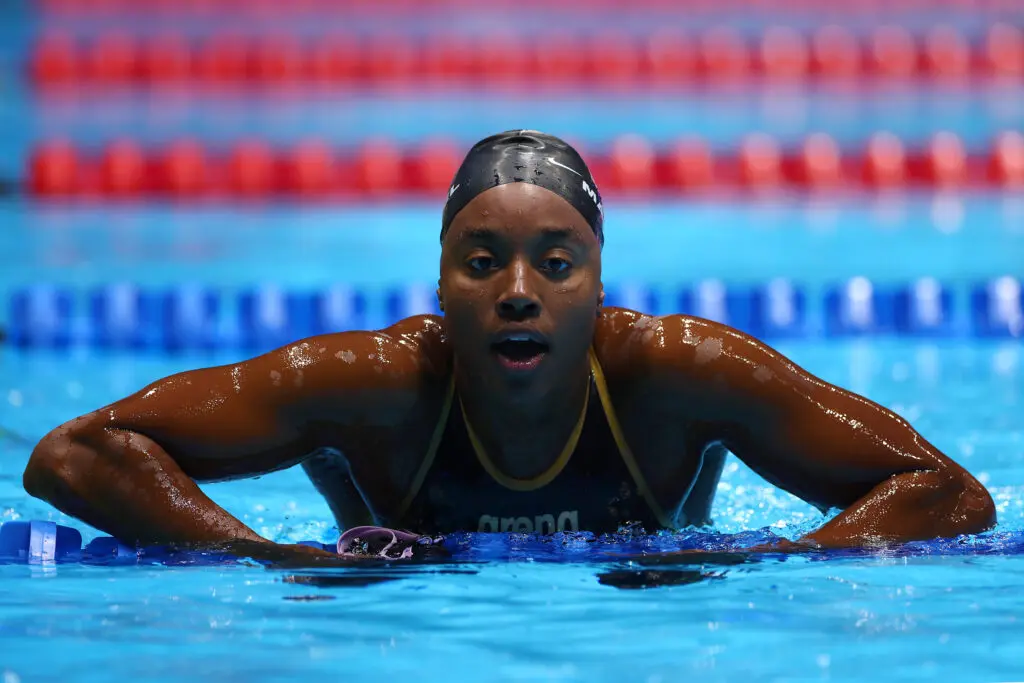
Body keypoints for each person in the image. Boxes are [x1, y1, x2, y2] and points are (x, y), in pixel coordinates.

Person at [23, 130, 995, 562]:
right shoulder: (372, 385)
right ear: (439, 288)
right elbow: (72, 452)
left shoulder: (677, 373)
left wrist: (777, 558)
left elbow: (947, 491)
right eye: (482, 262)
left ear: (600, 288)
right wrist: (274, 558)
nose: (519, 291)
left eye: (555, 264)